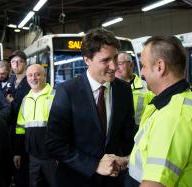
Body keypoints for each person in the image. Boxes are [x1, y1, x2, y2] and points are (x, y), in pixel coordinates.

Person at [45, 28, 136, 187]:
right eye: (105, 60)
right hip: (76, 180)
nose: (114, 66)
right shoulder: (67, 91)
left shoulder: (124, 90)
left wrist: (124, 160)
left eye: (115, 58)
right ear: (87, 60)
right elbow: (55, 144)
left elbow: (128, 136)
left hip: (114, 181)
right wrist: (93, 165)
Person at [126, 36, 192, 187]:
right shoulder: (174, 103)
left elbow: (154, 184)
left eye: (143, 66)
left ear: (160, 66)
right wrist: (127, 160)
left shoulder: (174, 117)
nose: (142, 74)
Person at [15, 64, 57, 187]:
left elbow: (65, 127)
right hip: (33, 156)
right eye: (30, 75)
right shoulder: (26, 100)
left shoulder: (56, 96)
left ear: (45, 76)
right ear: (27, 78)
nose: (34, 78)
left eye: (37, 74)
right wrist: (18, 152)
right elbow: (20, 129)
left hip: (53, 157)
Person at [7, 50, 31, 187]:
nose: (15, 65)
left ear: (25, 63)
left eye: (19, 61)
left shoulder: (29, 82)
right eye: (13, 62)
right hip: (10, 129)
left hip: (24, 132)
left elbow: (25, 109)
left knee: (22, 171)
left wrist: (11, 103)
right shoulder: (11, 81)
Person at [115, 52, 153, 125]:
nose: (116, 67)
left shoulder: (147, 87)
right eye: (114, 63)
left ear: (131, 65)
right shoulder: (108, 88)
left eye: (119, 63)